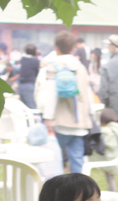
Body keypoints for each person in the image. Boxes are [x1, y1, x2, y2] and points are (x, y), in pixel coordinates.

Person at [42, 30, 92, 173]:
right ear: (73, 48)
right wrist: (90, 114)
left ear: (56, 47)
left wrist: (47, 117)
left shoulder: (54, 66)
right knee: (77, 161)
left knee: (54, 160)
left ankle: (57, 192)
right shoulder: (81, 67)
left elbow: (51, 94)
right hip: (79, 123)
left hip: (60, 122)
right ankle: (80, 193)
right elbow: (87, 93)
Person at [89, 108, 118, 191]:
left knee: (109, 175)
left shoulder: (106, 130)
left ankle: (112, 189)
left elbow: (109, 144)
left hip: (111, 158)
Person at [18, 43, 40, 109]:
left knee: (24, 107)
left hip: (21, 85)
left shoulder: (23, 59)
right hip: (30, 85)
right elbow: (37, 73)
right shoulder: (35, 61)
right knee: (32, 106)